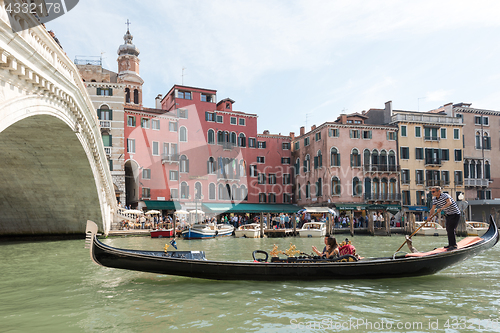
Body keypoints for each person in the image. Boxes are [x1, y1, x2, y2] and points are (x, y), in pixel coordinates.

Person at [430, 186, 461, 250]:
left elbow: (449, 202)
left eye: (433, 191)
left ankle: (454, 245)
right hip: (448, 215)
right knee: (448, 229)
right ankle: (450, 244)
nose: (432, 193)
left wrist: (441, 208)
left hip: (455, 214)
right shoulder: (435, 199)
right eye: (431, 192)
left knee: (451, 229)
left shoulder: (445, 195)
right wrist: (430, 216)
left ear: (439, 191)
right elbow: (433, 209)